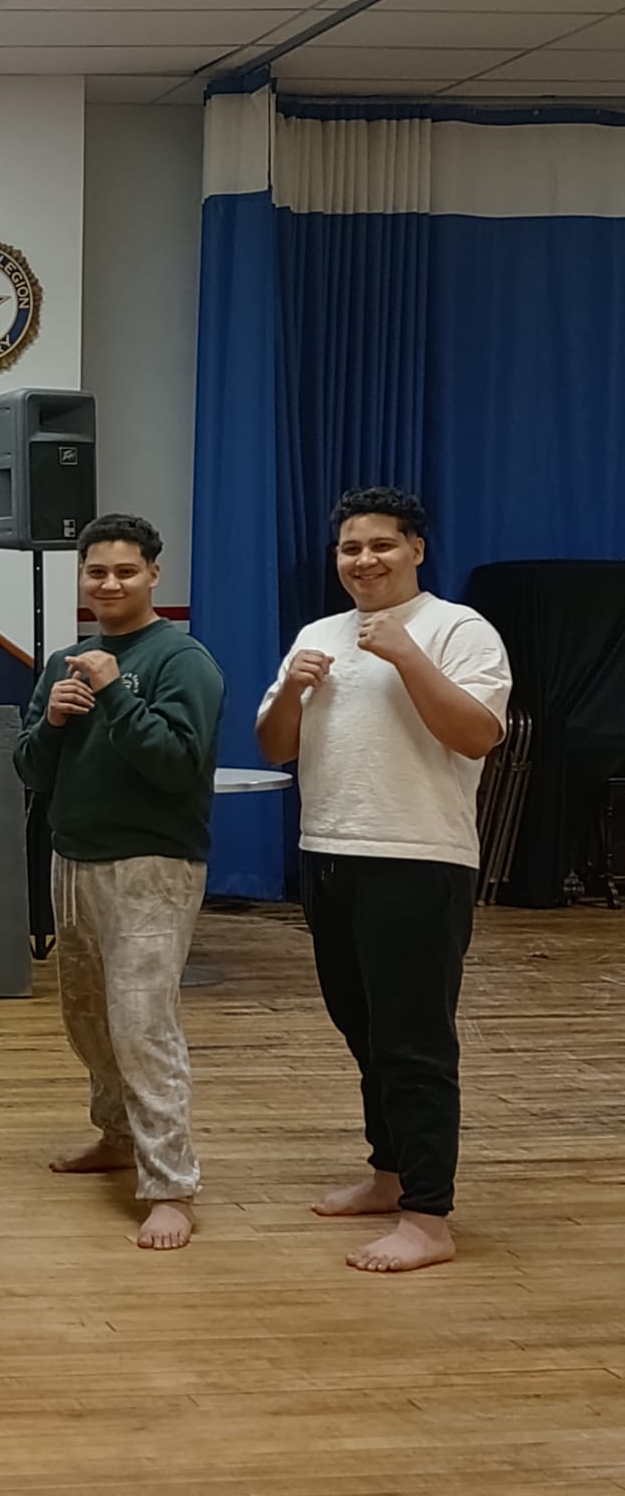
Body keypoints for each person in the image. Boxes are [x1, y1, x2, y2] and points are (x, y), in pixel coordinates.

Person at [255, 486, 509, 1274]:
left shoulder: (458, 628)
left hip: (420, 856)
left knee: (414, 1040)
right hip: (330, 851)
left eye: (380, 545)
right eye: (350, 548)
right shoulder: (318, 633)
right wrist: (292, 689)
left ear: (416, 549)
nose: (364, 560)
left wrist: (406, 655)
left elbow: (478, 734)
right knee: (362, 1028)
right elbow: (274, 745)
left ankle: (429, 1216)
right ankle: (390, 1174)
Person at [15, 514, 225, 1252]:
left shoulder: (182, 660)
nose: (108, 584)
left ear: (153, 575)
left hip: (150, 866)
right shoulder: (66, 660)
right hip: (73, 858)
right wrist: (53, 723)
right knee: (88, 1019)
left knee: (142, 1025)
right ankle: (116, 1135)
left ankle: (171, 1186)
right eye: (96, 571)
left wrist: (115, 696)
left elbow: (176, 764)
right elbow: (28, 769)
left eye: (125, 571)